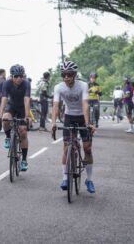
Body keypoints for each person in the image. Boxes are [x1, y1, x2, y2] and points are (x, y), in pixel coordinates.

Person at [51, 61, 97, 193]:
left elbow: (85, 104)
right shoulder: (59, 87)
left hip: (83, 117)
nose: (66, 77)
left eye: (69, 74)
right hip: (69, 117)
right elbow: (55, 105)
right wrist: (53, 122)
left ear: (75, 75)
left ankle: (89, 179)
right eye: (64, 74)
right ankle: (65, 178)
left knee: (87, 148)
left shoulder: (83, 85)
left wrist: (88, 123)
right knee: (66, 147)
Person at [0, 64, 31, 171]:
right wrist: (0, 116)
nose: (19, 78)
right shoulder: (6, 83)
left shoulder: (26, 84)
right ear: (12, 76)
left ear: (23, 76)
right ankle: (8, 137)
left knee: (23, 132)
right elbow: (4, 99)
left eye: (21, 76)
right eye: (16, 76)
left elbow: (26, 100)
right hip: (11, 106)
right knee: (5, 118)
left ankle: (24, 160)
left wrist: (27, 116)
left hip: (22, 108)